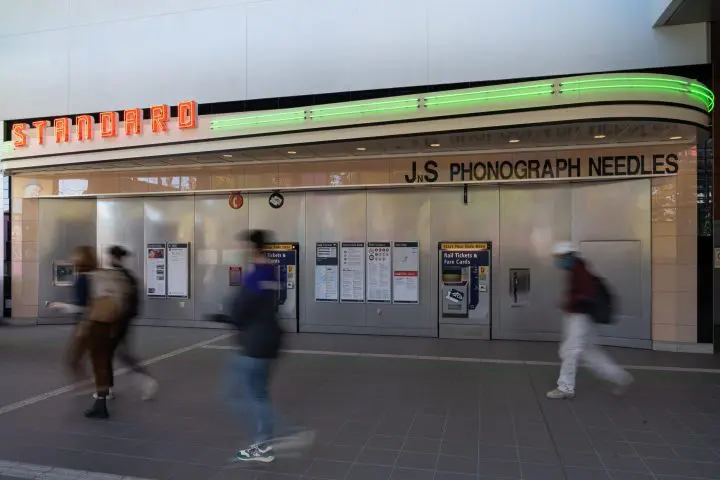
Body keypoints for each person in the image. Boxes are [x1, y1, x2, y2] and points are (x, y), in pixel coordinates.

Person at [214, 230, 285, 463]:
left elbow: (239, 311)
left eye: (245, 247)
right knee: (259, 394)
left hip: (254, 343)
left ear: (252, 248)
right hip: (271, 340)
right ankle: (265, 441)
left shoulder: (254, 277)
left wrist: (223, 316)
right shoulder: (272, 274)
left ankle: (268, 441)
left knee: (235, 394)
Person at [546, 242, 633, 399]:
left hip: (579, 317)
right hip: (580, 316)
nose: (557, 261)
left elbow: (585, 294)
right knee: (589, 351)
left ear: (569, 256)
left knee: (570, 351)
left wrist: (569, 303)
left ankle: (565, 387)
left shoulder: (580, 271)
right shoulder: (576, 269)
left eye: (559, 257)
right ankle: (620, 377)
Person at [50, 246, 128, 419]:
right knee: (101, 363)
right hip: (108, 324)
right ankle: (101, 402)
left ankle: (87, 387)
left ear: (81, 260)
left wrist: (62, 307)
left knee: (72, 360)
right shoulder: (100, 275)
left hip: (90, 326)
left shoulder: (83, 279)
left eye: (75, 256)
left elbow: (83, 307)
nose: (72, 258)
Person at [104, 245, 158, 401]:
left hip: (113, 320)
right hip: (125, 320)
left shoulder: (112, 276)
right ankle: (144, 380)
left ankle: (109, 387)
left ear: (113, 258)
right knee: (120, 353)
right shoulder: (130, 276)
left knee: (109, 354)